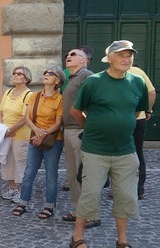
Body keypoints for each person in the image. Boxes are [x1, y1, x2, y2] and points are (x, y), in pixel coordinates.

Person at [69, 40, 148, 248]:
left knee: (125, 196)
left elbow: (138, 111)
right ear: (109, 58)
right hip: (95, 150)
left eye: (129, 55)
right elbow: (76, 111)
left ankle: (122, 241)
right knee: (90, 194)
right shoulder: (94, 82)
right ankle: (77, 237)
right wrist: (93, 127)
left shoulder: (137, 82)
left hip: (125, 150)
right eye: (121, 55)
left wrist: (119, 124)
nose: (126, 58)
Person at [12, 66, 64, 219]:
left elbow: (58, 122)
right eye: (45, 73)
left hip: (53, 140)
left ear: (58, 80)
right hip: (35, 137)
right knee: (29, 172)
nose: (46, 75)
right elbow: (27, 117)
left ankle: (49, 206)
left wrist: (44, 133)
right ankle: (23, 202)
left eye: (51, 73)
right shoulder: (34, 96)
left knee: (51, 174)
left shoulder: (60, 99)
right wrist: (37, 131)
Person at [60, 47, 101, 228]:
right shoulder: (71, 78)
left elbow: (95, 103)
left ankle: (91, 215)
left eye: (74, 54)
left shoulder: (88, 76)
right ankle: (78, 212)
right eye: (68, 54)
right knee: (72, 174)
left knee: (83, 175)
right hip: (68, 129)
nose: (68, 56)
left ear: (84, 60)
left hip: (80, 130)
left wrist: (87, 127)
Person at [0, 66, 32, 204]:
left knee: (20, 162)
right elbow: (0, 111)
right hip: (6, 133)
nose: (15, 75)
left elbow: (25, 117)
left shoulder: (28, 95)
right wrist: (2, 128)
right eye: (14, 73)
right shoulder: (8, 92)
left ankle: (21, 191)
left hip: (20, 134)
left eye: (19, 74)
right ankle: (11, 188)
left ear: (26, 78)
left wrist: (11, 129)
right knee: (8, 161)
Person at [128, 65, 155, 200]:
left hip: (120, 119)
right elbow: (151, 92)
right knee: (138, 152)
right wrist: (148, 110)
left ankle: (118, 188)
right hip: (139, 119)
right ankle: (139, 189)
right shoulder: (138, 71)